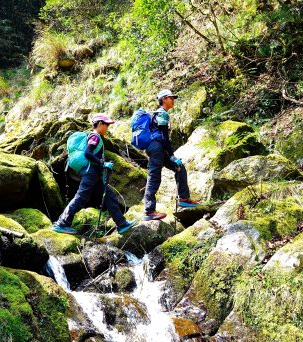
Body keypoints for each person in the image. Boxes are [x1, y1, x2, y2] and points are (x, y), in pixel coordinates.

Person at [53, 113, 136, 235]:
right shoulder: (95, 137)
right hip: (91, 172)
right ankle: (62, 223)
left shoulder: (95, 137)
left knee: (109, 196)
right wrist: (103, 163)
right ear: (100, 124)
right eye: (106, 124)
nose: (107, 127)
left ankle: (122, 224)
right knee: (81, 197)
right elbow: (88, 153)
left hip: (93, 173)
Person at [143, 89, 199, 221]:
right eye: (170, 98)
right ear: (164, 100)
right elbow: (164, 138)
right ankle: (149, 211)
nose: (173, 100)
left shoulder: (157, 114)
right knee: (154, 178)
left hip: (157, 148)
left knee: (180, 168)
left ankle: (184, 199)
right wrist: (172, 155)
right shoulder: (162, 114)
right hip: (157, 148)